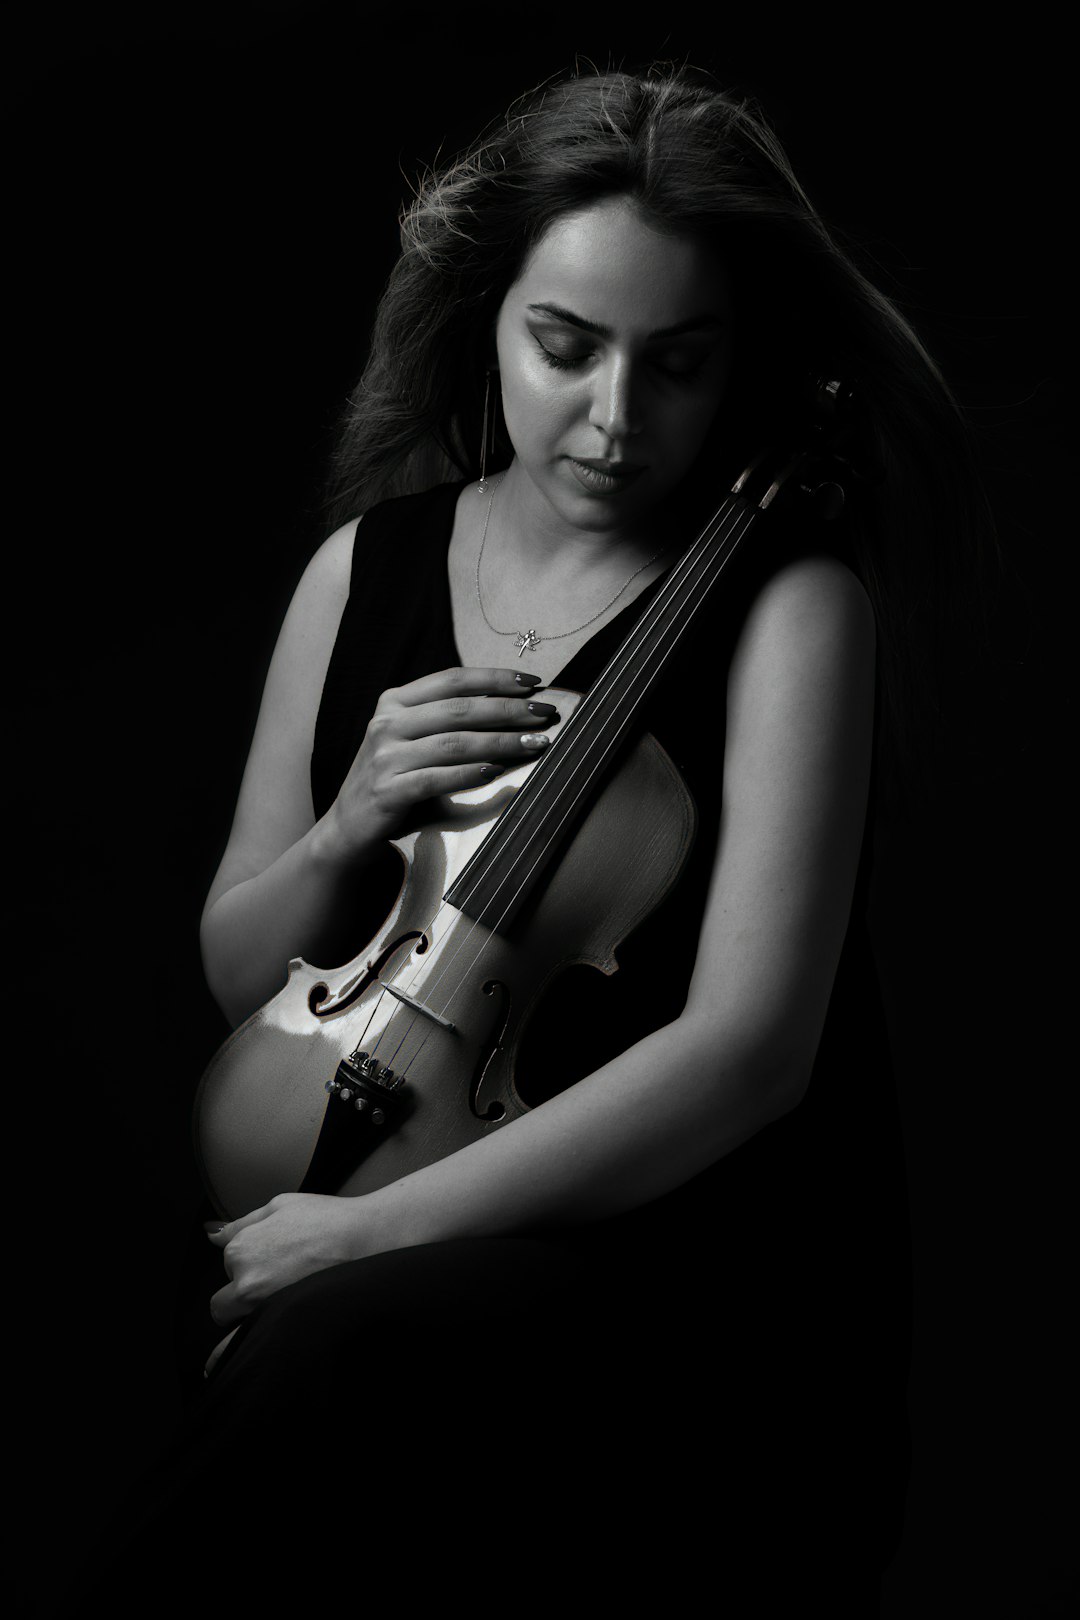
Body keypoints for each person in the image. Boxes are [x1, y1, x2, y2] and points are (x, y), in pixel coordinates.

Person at [67, 63, 992, 1616]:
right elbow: (243, 967)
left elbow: (753, 1054)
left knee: (332, 1349)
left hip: (685, 1286)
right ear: (485, 314)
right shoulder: (362, 569)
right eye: (566, 348)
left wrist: (364, 1236)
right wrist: (352, 811)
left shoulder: (792, 603)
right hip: (370, 1215)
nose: (617, 419)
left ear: (738, 362)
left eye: (679, 364)